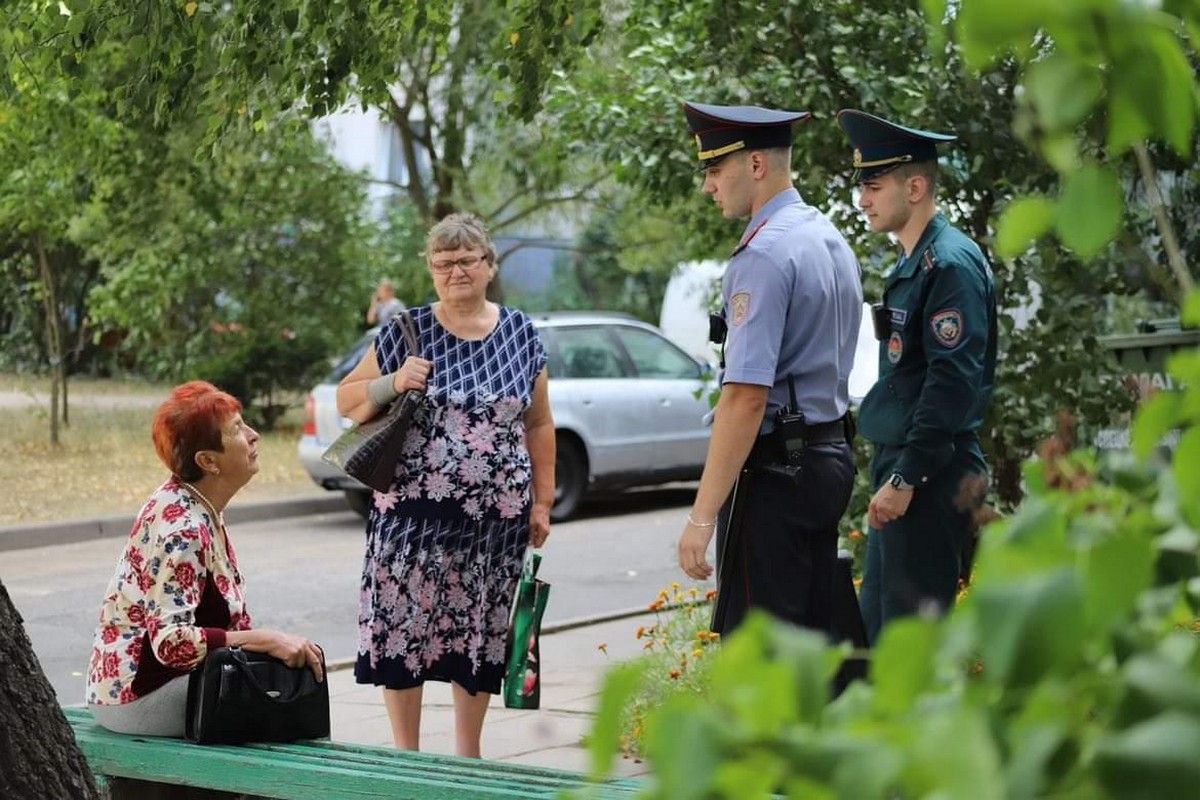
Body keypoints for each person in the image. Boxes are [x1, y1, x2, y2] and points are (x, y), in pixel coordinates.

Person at [336, 212, 554, 758]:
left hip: (495, 521)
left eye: (466, 261)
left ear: (489, 266)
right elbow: (347, 398)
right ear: (431, 271)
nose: (455, 271)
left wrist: (543, 501)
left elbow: (539, 423)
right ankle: (406, 755)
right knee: (403, 627)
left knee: (478, 629)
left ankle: (468, 754)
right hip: (411, 517)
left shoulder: (521, 333)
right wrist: (393, 380)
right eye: (443, 263)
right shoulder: (406, 330)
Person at [676, 101, 863, 639]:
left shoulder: (763, 254)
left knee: (760, 661)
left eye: (715, 170)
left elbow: (745, 397)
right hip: (827, 457)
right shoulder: (827, 238)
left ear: (755, 166)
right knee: (808, 645)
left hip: (776, 475)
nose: (709, 186)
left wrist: (701, 516)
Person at [836, 109, 997, 644]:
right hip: (907, 466)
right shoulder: (914, 264)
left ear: (917, 186)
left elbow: (951, 384)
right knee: (879, 630)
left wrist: (907, 478)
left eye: (874, 185)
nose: (864, 199)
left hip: (929, 472)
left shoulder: (948, 265)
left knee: (913, 643)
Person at [86, 381, 325, 736]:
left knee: (293, 682)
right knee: (279, 711)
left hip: (158, 684)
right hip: (139, 696)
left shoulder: (196, 503)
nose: (254, 435)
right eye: (237, 429)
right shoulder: (183, 528)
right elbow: (171, 642)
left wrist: (267, 645)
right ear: (208, 461)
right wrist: (265, 640)